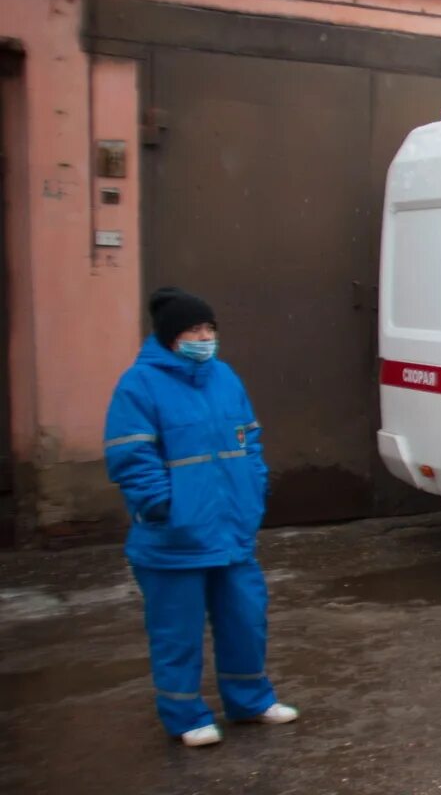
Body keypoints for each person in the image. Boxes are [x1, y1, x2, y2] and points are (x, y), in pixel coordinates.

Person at [104, 288, 298, 748]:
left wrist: (255, 487)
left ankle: (250, 701)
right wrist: (165, 507)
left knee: (246, 619)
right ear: (172, 337)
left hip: (231, 530)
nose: (204, 337)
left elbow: (249, 439)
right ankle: (185, 715)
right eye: (194, 329)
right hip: (174, 538)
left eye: (209, 329)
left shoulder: (224, 377)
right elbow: (130, 457)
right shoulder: (139, 385)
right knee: (178, 632)